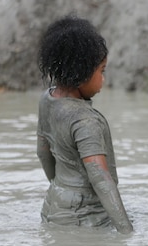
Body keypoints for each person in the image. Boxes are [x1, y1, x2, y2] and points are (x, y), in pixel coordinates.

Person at [36, 15, 133, 233]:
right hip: (85, 218)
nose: (104, 79)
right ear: (81, 74)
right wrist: (127, 232)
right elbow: (100, 178)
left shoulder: (47, 99)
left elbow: (42, 151)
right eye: (102, 71)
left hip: (53, 206)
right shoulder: (85, 120)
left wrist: (60, 190)